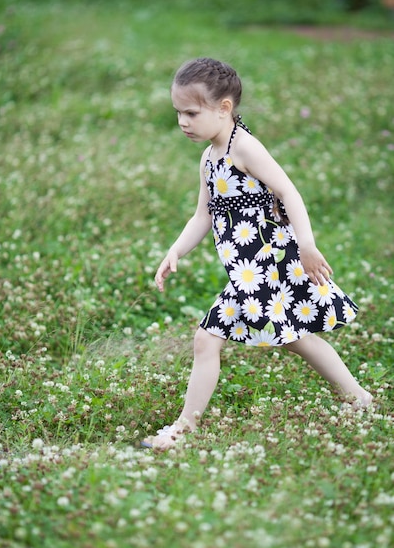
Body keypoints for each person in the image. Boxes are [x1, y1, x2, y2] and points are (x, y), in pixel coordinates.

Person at [142, 57, 373, 450]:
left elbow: (289, 193)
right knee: (296, 338)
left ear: (224, 108)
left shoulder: (245, 148)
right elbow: (204, 214)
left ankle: (184, 429)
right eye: (178, 113)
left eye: (191, 113)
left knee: (206, 338)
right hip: (247, 271)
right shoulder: (209, 157)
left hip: (266, 265)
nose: (183, 121)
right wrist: (175, 250)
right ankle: (360, 399)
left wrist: (307, 245)